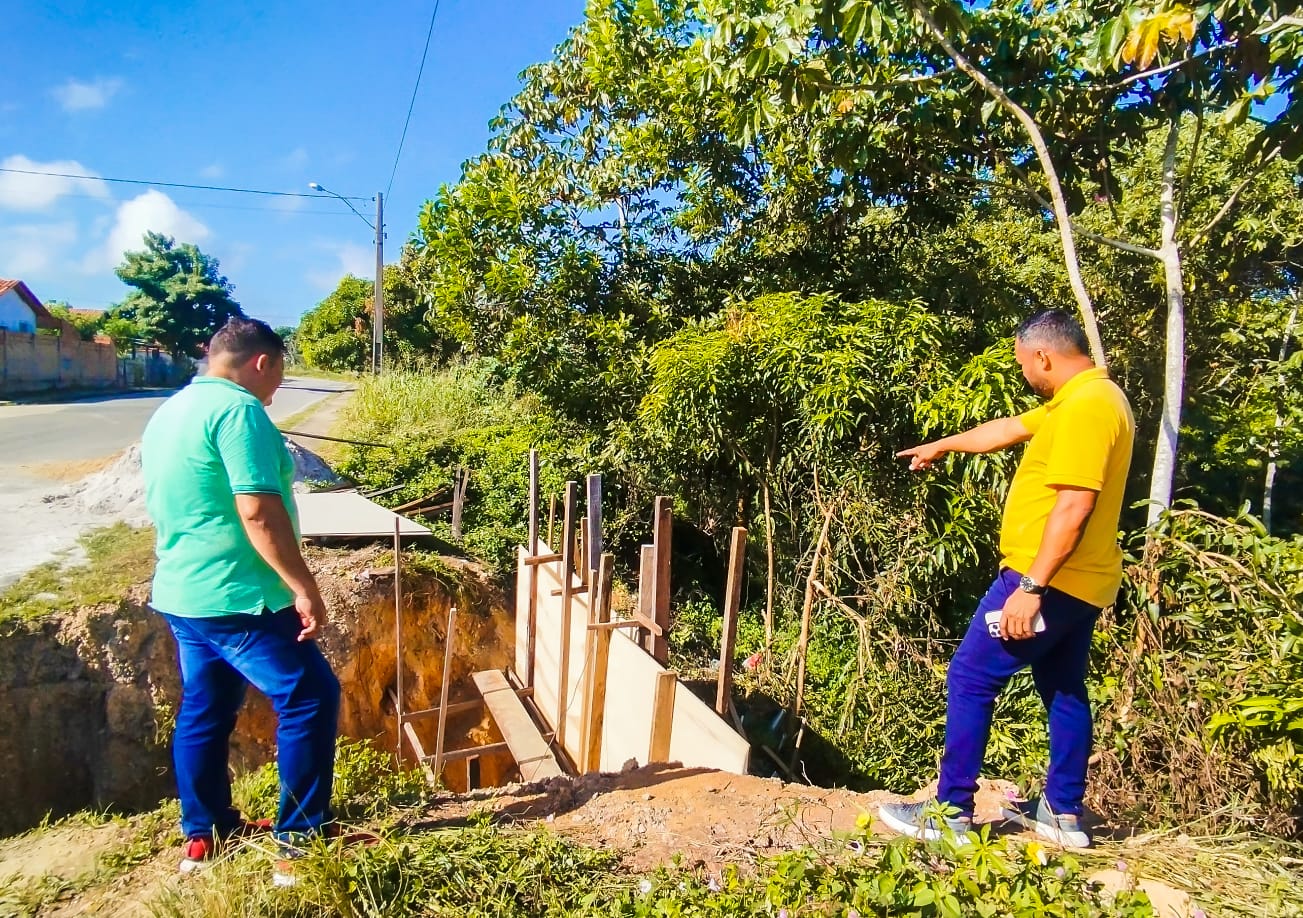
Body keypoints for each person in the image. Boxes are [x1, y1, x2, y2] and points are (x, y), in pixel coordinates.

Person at [879, 309, 1134, 848]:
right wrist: (943, 445)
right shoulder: (1085, 398)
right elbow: (1009, 429)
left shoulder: (1087, 408)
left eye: (1023, 365)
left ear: (1043, 356)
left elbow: (1074, 507)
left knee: (971, 678)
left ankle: (949, 813)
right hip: (1083, 583)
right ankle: (1062, 814)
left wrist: (1031, 587)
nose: (1024, 374)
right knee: (1063, 687)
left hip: (1047, 578)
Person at [141, 317, 340, 874]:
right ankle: (299, 844)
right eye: (278, 374)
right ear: (261, 362)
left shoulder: (171, 410)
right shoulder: (240, 411)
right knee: (310, 695)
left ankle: (205, 836)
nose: (276, 388)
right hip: (239, 596)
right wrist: (304, 586)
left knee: (205, 708)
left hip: (183, 593)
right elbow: (257, 511)